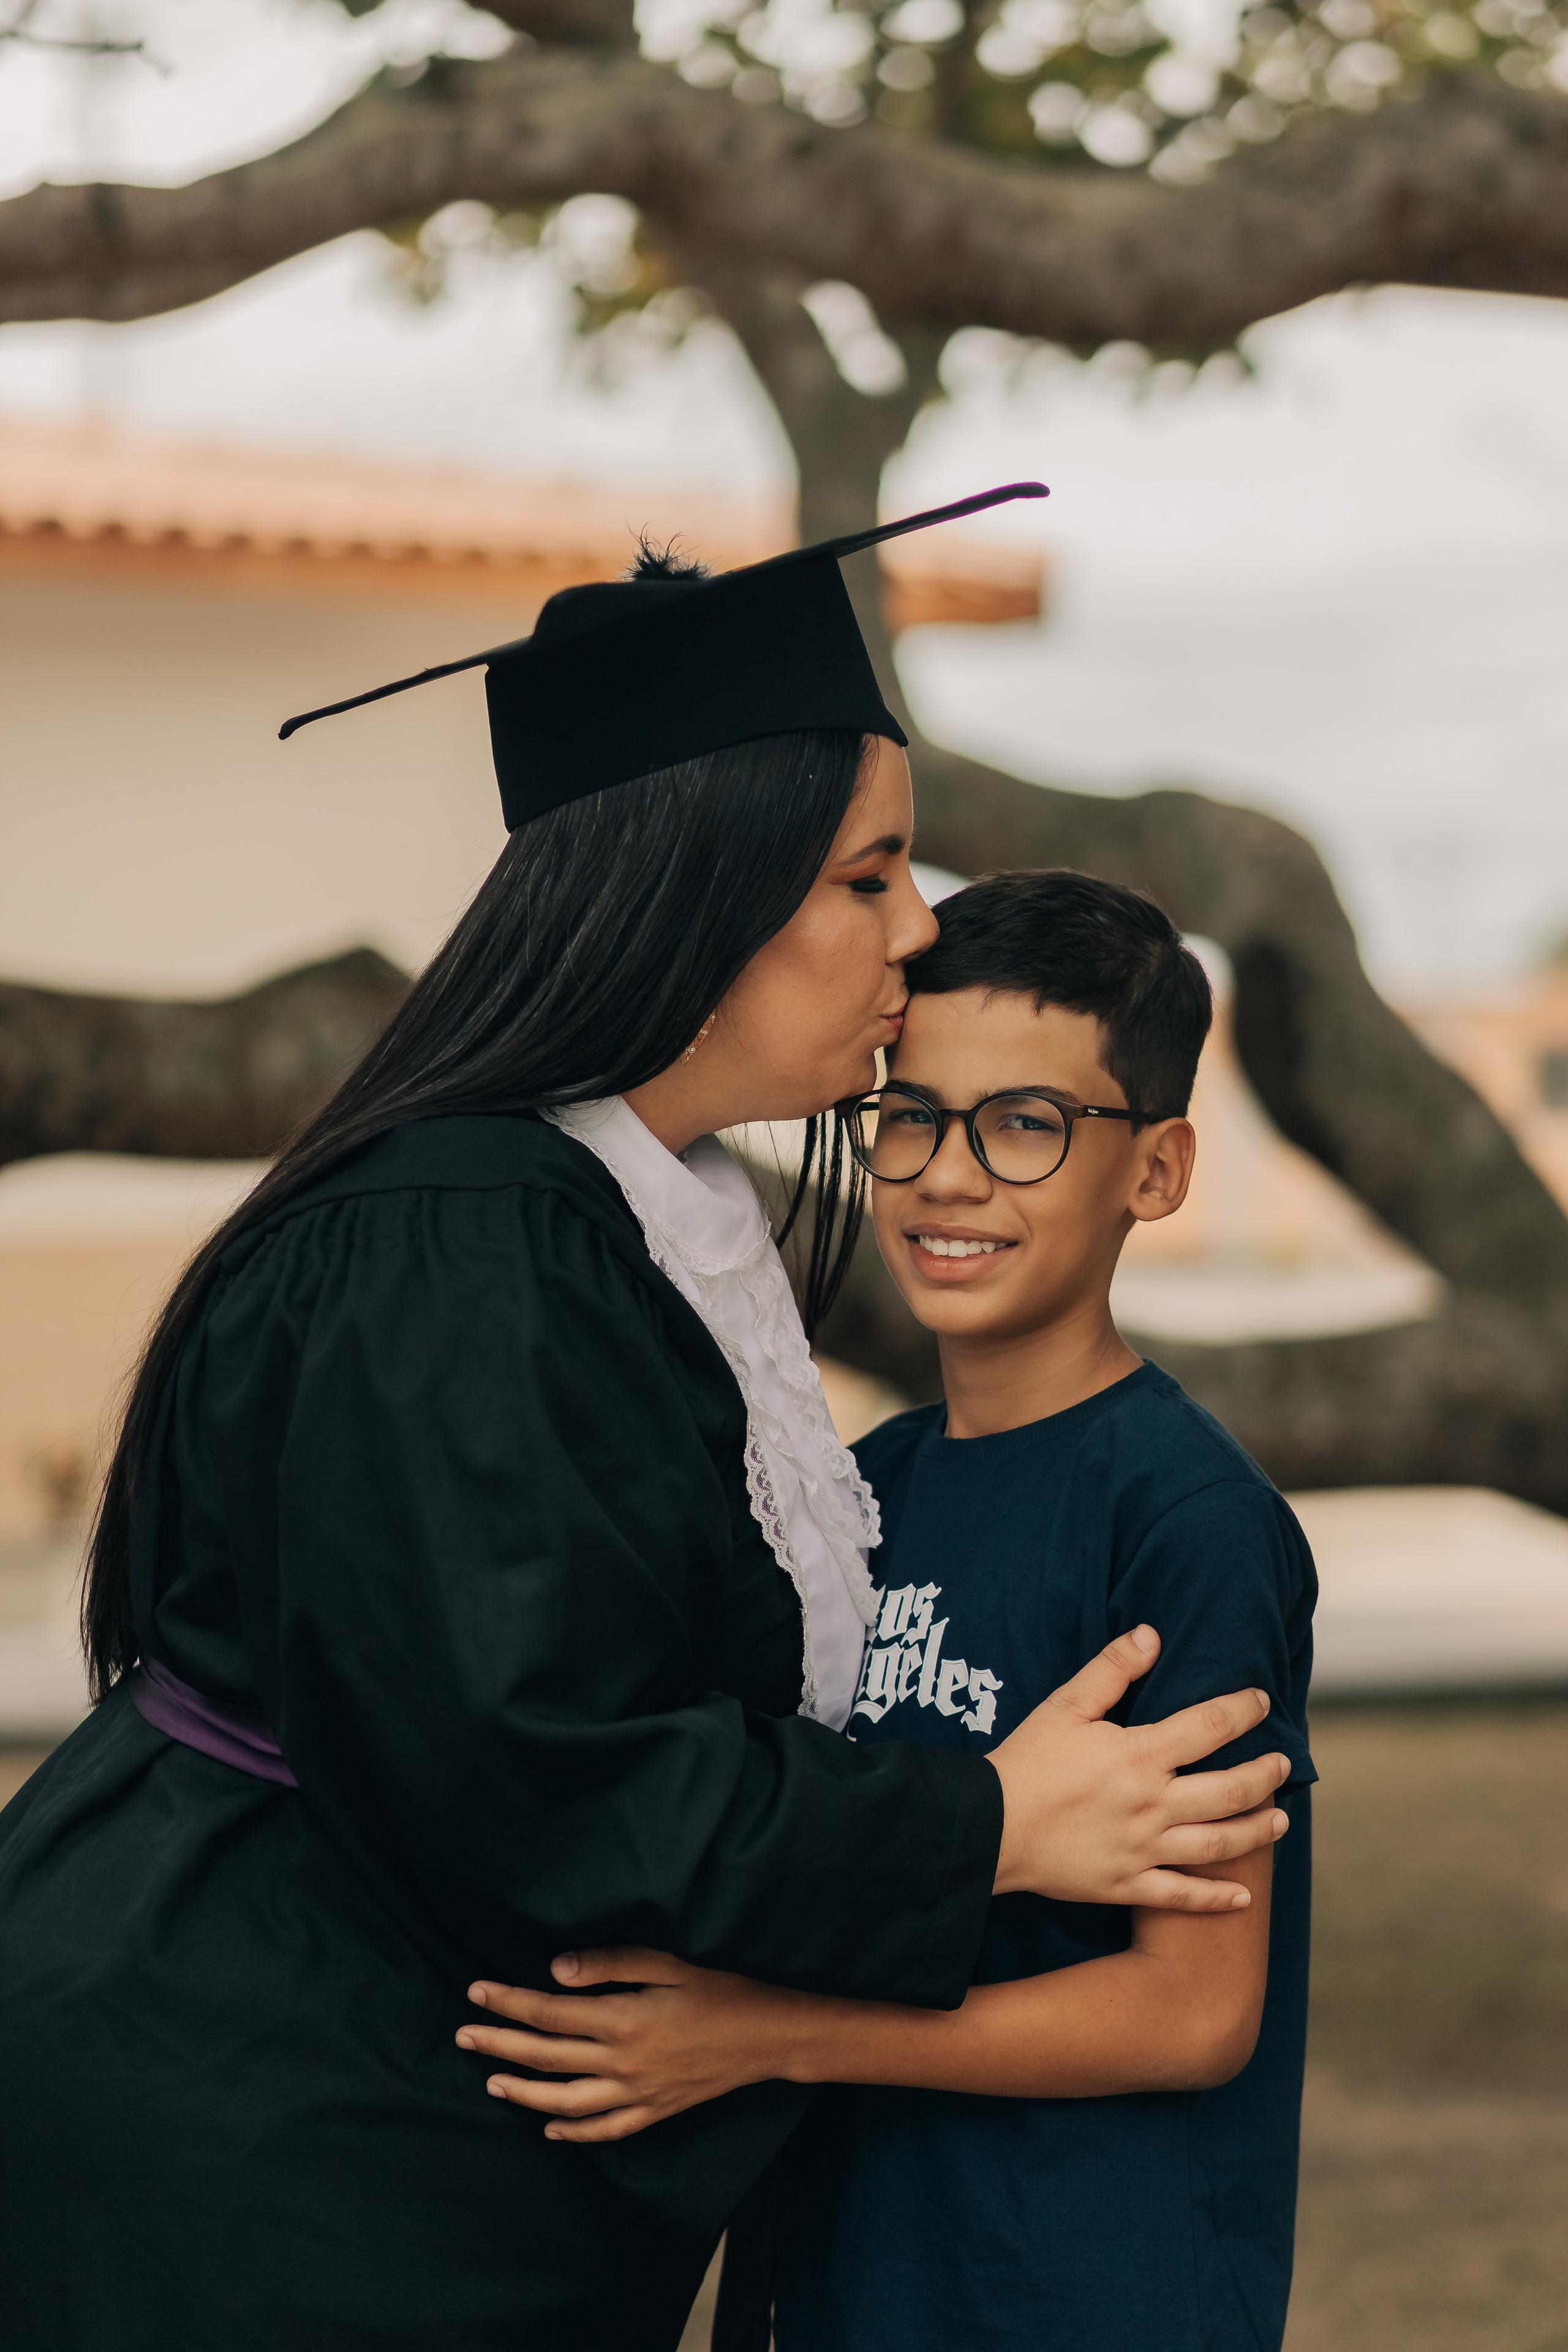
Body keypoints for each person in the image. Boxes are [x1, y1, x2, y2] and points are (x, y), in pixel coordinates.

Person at [0, 500, 1292, 2352]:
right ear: (701, 893)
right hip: (257, 2149)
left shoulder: (613, 1221)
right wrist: (984, 1822)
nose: (914, 938)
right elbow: (546, 1771)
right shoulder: (462, 1249)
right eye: (868, 878)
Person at [459, 871, 1317, 2352]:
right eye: (910, 1115)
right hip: (849, 2279)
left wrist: (765, 2036)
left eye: (1026, 1125)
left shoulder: (1182, 1518)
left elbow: (1190, 2014)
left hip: (1076, 2295)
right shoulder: (857, 1492)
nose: (945, 1176)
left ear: (1156, 1170)